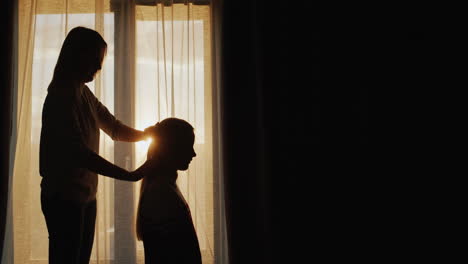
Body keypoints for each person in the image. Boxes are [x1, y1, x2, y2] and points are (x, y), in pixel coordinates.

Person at [39, 26, 150, 264]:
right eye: (95, 59)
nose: (99, 67)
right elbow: (81, 155)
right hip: (63, 198)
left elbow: (114, 128)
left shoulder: (83, 94)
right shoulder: (61, 97)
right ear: (78, 55)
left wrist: (147, 134)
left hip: (85, 196)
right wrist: (128, 175)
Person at [136, 118, 202, 264]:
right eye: (188, 146)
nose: (193, 154)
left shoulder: (164, 187)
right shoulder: (161, 193)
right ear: (172, 148)